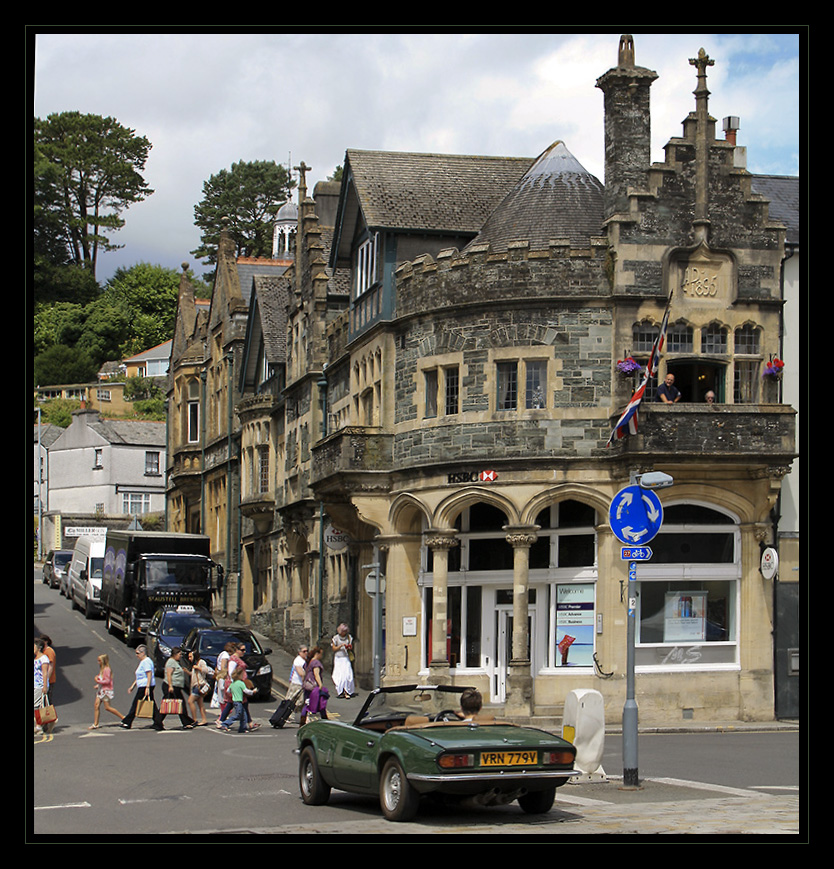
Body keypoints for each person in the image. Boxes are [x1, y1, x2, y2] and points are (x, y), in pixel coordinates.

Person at [121, 645, 163, 730]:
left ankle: (127, 721)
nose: (136, 655)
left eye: (138, 653)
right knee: (151, 704)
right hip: (143, 685)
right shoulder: (143, 661)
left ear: (143, 653)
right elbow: (140, 676)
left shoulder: (146, 661)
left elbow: (149, 674)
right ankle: (158, 722)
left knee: (136, 703)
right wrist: (133, 686)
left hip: (145, 686)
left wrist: (147, 687)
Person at [160, 647, 196, 729]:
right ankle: (158, 721)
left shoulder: (176, 662)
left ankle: (186, 722)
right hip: (172, 686)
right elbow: (168, 674)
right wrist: (170, 686)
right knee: (170, 704)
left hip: (176, 686)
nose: (180, 656)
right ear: (175, 654)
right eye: (179, 654)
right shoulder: (171, 662)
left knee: (177, 704)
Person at [90, 654, 124, 728]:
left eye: (99, 661)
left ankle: (123, 717)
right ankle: (95, 724)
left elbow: (107, 681)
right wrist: (98, 685)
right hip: (100, 690)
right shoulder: (102, 669)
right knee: (96, 705)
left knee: (107, 707)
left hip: (106, 691)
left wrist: (98, 681)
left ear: (103, 661)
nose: (98, 662)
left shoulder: (107, 669)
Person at [218, 668, 254, 733]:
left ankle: (242, 728)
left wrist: (234, 692)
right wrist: (253, 692)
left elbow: (228, 690)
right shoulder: (241, 683)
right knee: (238, 715)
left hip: (234, 701)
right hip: (239, 701)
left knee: (244, 715)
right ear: (239, 676)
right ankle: (225, 724)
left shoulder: (233, 683)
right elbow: (247, 691)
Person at [299, 647, 329, 725]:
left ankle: (302, 721)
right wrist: (320, 685)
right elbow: (316, 674)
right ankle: (325, 720)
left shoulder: (308, 662)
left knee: (307, 703)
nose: (321, 656)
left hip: (307, 686)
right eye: (321, 654)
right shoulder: (316, 663)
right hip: (313, 687)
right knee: (321, 703)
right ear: (317, 654)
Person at [186, 649, 211, 726]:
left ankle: (194, 719)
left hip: (199, 685)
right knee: (200, 703)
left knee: (190, 701)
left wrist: (198, 668)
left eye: (190, 656)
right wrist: (187, 671)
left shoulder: (201, 662)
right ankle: (204, 719)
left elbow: (206, 670)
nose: (189, 658)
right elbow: (194, 675)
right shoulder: (194, 664)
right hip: (195, 685)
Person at [331, 624, 356, 699]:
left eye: (345, 631)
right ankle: (340, 691)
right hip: (338, 658)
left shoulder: (349, 637)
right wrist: (341, 646)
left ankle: (347, 691)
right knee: (339, 676)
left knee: (348, 675)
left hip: (346, 658)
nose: (344, 632)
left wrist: (348, 647)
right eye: (343, 631)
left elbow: (350, 647)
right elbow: (334, 649)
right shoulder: (335, 638)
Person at [285, 645, 308, 720]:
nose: (306, 653)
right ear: (299, 652)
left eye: (307, 651)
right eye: (304, 651)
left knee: (301, 702)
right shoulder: (298, 660)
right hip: (296, 684)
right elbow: (301, 673)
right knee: (290, 700)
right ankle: (286, 715)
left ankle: (302, 717)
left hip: (301, 684)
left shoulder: (305, 660)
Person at [34, 639, 51, 736]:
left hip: (39, 685)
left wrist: (45, 686)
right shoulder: (36, 658)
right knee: (36, 706)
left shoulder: (44, 659)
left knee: (37, 706)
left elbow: (45, 673)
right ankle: (39, 725)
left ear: (39, 648)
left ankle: (39, 726)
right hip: (35, 685)